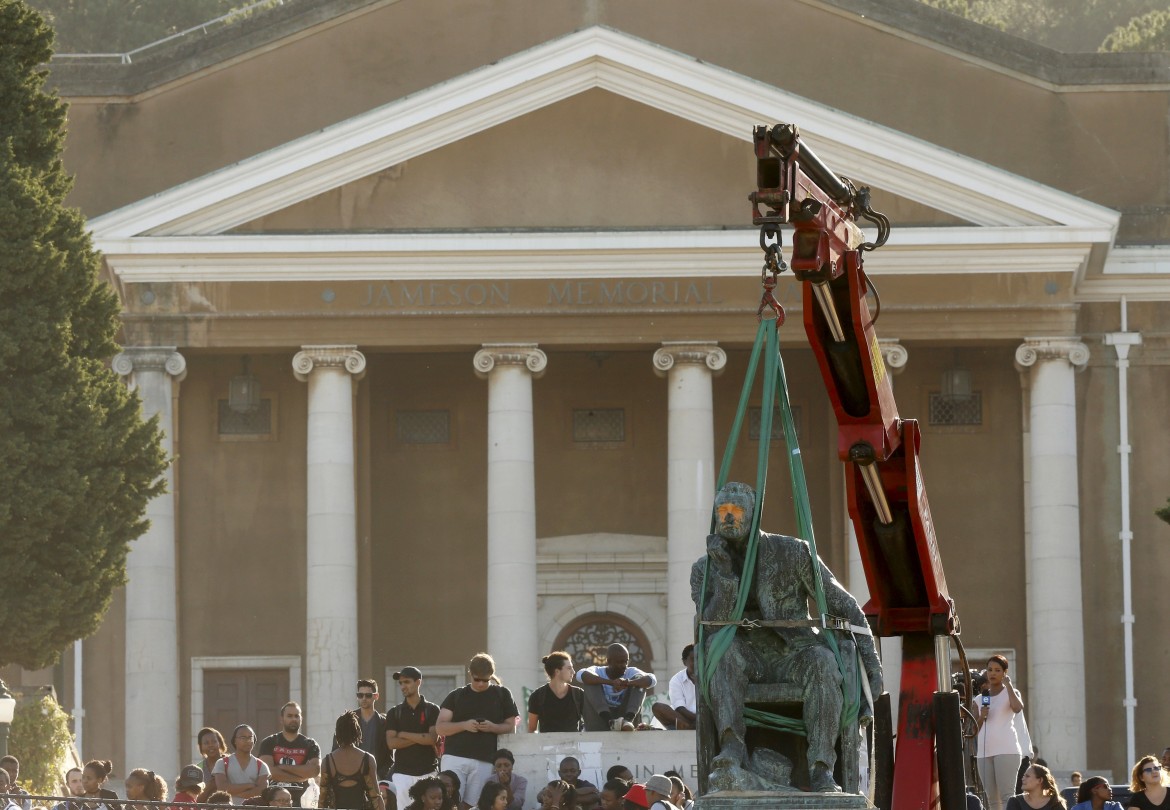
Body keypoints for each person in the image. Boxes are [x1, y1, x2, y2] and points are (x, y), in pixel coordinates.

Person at [691, 481, 882, 793]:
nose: (727, 517)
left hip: (793, 653)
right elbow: (711, 626)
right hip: (743, 656)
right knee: (720, 651)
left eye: (735, 511)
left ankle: (821, 770)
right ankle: (732, 750)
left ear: (752, 515)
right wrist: (725, 574)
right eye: (721, 511)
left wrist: (873, 668)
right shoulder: (705, 569)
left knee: (822, 662)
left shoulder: (793, 552)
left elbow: (844, 606)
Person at [435, 654, 519, 810]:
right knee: (449, 802)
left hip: (485, 759)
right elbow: (440, 727)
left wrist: (492, 727)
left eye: (485, 680)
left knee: (477, 804)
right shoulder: (457, 695)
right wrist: (464, 725)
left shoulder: (502, 694)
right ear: (470, 674)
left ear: (491, 676)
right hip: (455, 756)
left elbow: (511, 726)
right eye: (477, 679)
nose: (481, 684)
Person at [974, 655, 1026, 810]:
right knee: (992, 800)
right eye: (990, 670)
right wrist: (982, 716)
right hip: (984, 753)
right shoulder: (979, 699)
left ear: (1005, 672)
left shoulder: (1012, 692)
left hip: (1007, 750)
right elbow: (973, 730)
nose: (993, 673)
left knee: (1007, 797)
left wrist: (1009, 686)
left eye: (997, 670)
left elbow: (1017, 708)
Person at [386, 667, 441, 810]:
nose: (403, 686)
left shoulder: (432, 709)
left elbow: (432, 739)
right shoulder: (394, 713)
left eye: (407, 682)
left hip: (429, 771)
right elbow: (391, 743)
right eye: (401, 683)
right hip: (402, 774)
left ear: (418, 682)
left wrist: (403, 734)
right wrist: (421, 737)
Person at [575, 645, 656, 732]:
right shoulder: (597, 670)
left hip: (624, 719)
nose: (624, 665)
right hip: (599, 720)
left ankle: (628, 720)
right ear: (608, 661)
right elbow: (581, 675)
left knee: (640, 681)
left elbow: (652, 680)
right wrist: (611, 683)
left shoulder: (631, 672)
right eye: (620, 662)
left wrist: (628, 682)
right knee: (590, 682)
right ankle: (610, 722)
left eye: (626, 662)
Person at [320, 711, 385, 810]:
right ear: (357, 732)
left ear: (337, 733)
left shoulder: (327, 762)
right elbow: (376, 797)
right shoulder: (368, 760)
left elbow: (322, 800)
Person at [258, 702, 321, 805]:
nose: (293, 719)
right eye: (289, 716)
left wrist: (283, 767)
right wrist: (301, 776)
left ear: (301, 719)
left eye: (297, 716)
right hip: (274, 801)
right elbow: (268, 772)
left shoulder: (311, 744)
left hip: (302, 801)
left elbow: (314, 771)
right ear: (282, 719)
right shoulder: (269, 742)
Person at [341, 679, 391, 782]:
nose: (363, 698)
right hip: (351, 778)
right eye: (360, 695)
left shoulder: (384, 723)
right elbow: (337, 750)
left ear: (376, 696)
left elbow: (389, 758)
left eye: (368, 695)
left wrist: (379, 776)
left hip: (377, 779)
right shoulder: (347, 721)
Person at [527, 652, 584, 733]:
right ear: (557, 671)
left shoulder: (579, 694)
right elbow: (532, 729)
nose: (573, 672)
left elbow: (590, 724)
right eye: (569, 668)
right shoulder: (537, 696)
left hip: (574, 744)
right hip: (547, 744)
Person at [214, 724, 271, 802]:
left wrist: (235, 794)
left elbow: (261, 791)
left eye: (250, 737)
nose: (247, 741)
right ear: (234, 740)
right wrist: (249, 785)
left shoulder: (261, 766)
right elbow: (222, 788)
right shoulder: (222, 763)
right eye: (243, 737)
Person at [651, 646, 696, 731]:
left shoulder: (710, 677)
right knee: (657, 707)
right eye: (693, 660)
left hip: (707, 719)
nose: (698, 663)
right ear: (684, 662)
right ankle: (691, 727)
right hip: (686, 719)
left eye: (700, 659)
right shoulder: (676, 680)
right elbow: (680, 708)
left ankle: (689, 727)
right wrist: (697, 720)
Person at [196, 728, 229, 800]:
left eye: (214, 742)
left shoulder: (230, 762)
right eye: (206, 743)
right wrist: (209, 788)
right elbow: (195, 800)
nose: (211, 745)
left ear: (220, 743)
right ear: (201, 746)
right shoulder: (198, 768)